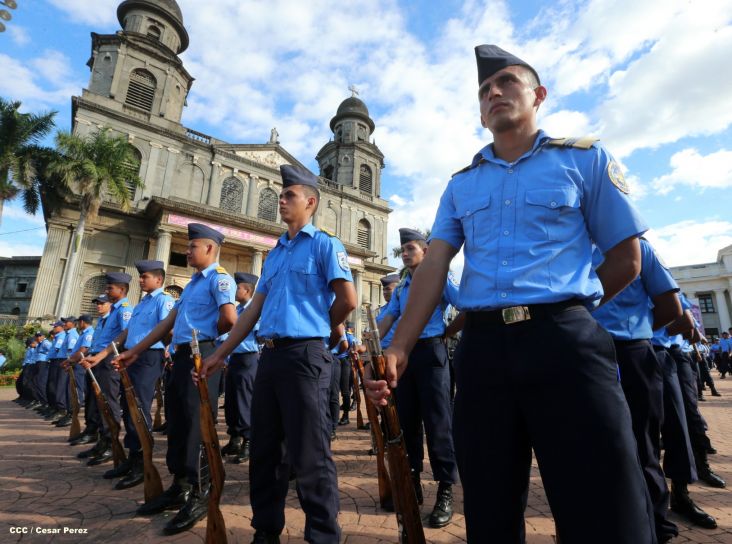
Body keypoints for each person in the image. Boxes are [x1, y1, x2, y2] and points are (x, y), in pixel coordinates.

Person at [365, 44, 656, 543]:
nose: (494, 92)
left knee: (601, 503)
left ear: (538, 95)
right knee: (490, 505)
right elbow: (435, 264)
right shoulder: (461, 185)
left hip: (567, 347)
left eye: (507, 83)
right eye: (484, 90)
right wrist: (399, 348)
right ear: (480, 112)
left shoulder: (584, 160)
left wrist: (569, 311)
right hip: (484, 355)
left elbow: (627, 259)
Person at [196, 164, 357, 544]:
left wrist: (317, 329)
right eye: (281, 195)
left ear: (311, 202)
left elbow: (348, 300)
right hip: (270, 357)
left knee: (310, 453)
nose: (281, 200)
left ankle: (322, 535)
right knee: (266, 450)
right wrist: (222, 352)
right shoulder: (276, 253)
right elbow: (254, 310)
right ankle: (265, 530)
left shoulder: (324, 244)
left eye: (289, 196)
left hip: (305, 356)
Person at [113, 223, 236, 535]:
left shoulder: (220, 279)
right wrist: (136, 351)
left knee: (197, 424)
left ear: (209, 248)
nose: (187, 250)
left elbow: (230, 319)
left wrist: (207, 343)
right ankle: (179, 485)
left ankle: (199, 491)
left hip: (201, 355)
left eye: (192, 246)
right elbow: (168, 322)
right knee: (178, 422)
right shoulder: (193, 284)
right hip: (181, 357)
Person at [592, 238, 682, 542]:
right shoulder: (569, 247)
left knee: (643, 446)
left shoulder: (640, 248)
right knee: (590, 447)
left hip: (632, 356)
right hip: (584, 357)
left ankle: (657, 527)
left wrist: (635, 329)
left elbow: (671, 308)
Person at [376, 227, 461, 528]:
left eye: (411, 247)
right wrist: (371, 342)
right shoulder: (401, 287)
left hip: (432, 354)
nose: (406, 253)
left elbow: (464, 304)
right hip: (406, 357)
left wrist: (447, 333)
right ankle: (412, 483)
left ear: (426, 251)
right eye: (404, 249)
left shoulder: (439, 276)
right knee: (408, 423)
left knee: (438, 423)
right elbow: (389, 317)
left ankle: (445, 490)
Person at [88, 260, 174, 489]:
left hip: (148, 358)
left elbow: (166, 330)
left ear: (158, 279)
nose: (140, 280)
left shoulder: (164, 301)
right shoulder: (142, 303)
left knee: (138, 406)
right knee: (128, 406)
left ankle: (142, 461)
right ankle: (132, 457)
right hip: (132, 356)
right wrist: (101, 354)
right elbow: (126, 333)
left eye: (145, 276)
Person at [79, 274, 134, 466]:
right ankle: (103, 441)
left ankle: (111, 444)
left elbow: (125, 336)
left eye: (110, 288)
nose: (106, 292)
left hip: (109, 359)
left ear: (122, 290)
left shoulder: (124, 310)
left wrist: (113, 357)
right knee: (98, 401)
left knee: (109, 402)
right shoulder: (110, 314)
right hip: (99, 359)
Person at [220, 272, 261, 463]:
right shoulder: (236, 310)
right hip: (234, 359)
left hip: (248, 359)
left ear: (247, 289)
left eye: (238, 287)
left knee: (245, 401)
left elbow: (260, 336)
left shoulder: (254, 309)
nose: (234, 290)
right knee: (232, 401)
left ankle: (249, 440)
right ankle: (235, 438)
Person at [72, 295, 110, 449]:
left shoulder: (115, 317)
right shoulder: (101, 321)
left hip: (106, 360)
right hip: (94, 359)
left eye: (102, 303)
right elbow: (95, 344)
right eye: (97, 304)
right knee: (91, 398)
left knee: (104, 399)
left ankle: (106, 439)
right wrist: (89, 356)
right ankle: (91, 429)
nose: (98, 306)